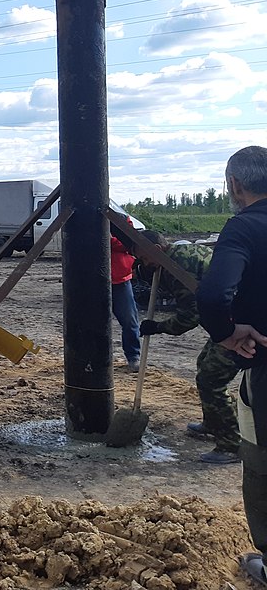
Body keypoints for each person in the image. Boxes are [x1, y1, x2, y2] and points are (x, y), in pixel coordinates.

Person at [196, 145, 267, 587]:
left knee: (260, 461)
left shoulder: (244, 228)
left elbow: (213, 295)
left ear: (235, 185)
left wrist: (226, 333)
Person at [136, 229, 240, 464]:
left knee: (211, 380)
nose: (145, 265)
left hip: (241, 323)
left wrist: (158, 327)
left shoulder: (177, 268)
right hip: (229, 322)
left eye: (144, 258)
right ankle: (213, 422)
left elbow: (191, 315)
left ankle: (231, 445)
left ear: (157, 249)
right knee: (204, 363)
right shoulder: (182, 252)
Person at [111, 233, 142, 371]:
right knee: (93, 323)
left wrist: (107, 239)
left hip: (120, 280)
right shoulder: (84, 217)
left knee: (130, 321)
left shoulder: (121, 219)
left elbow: (129, 242)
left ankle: (133, 357)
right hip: (93, 281)